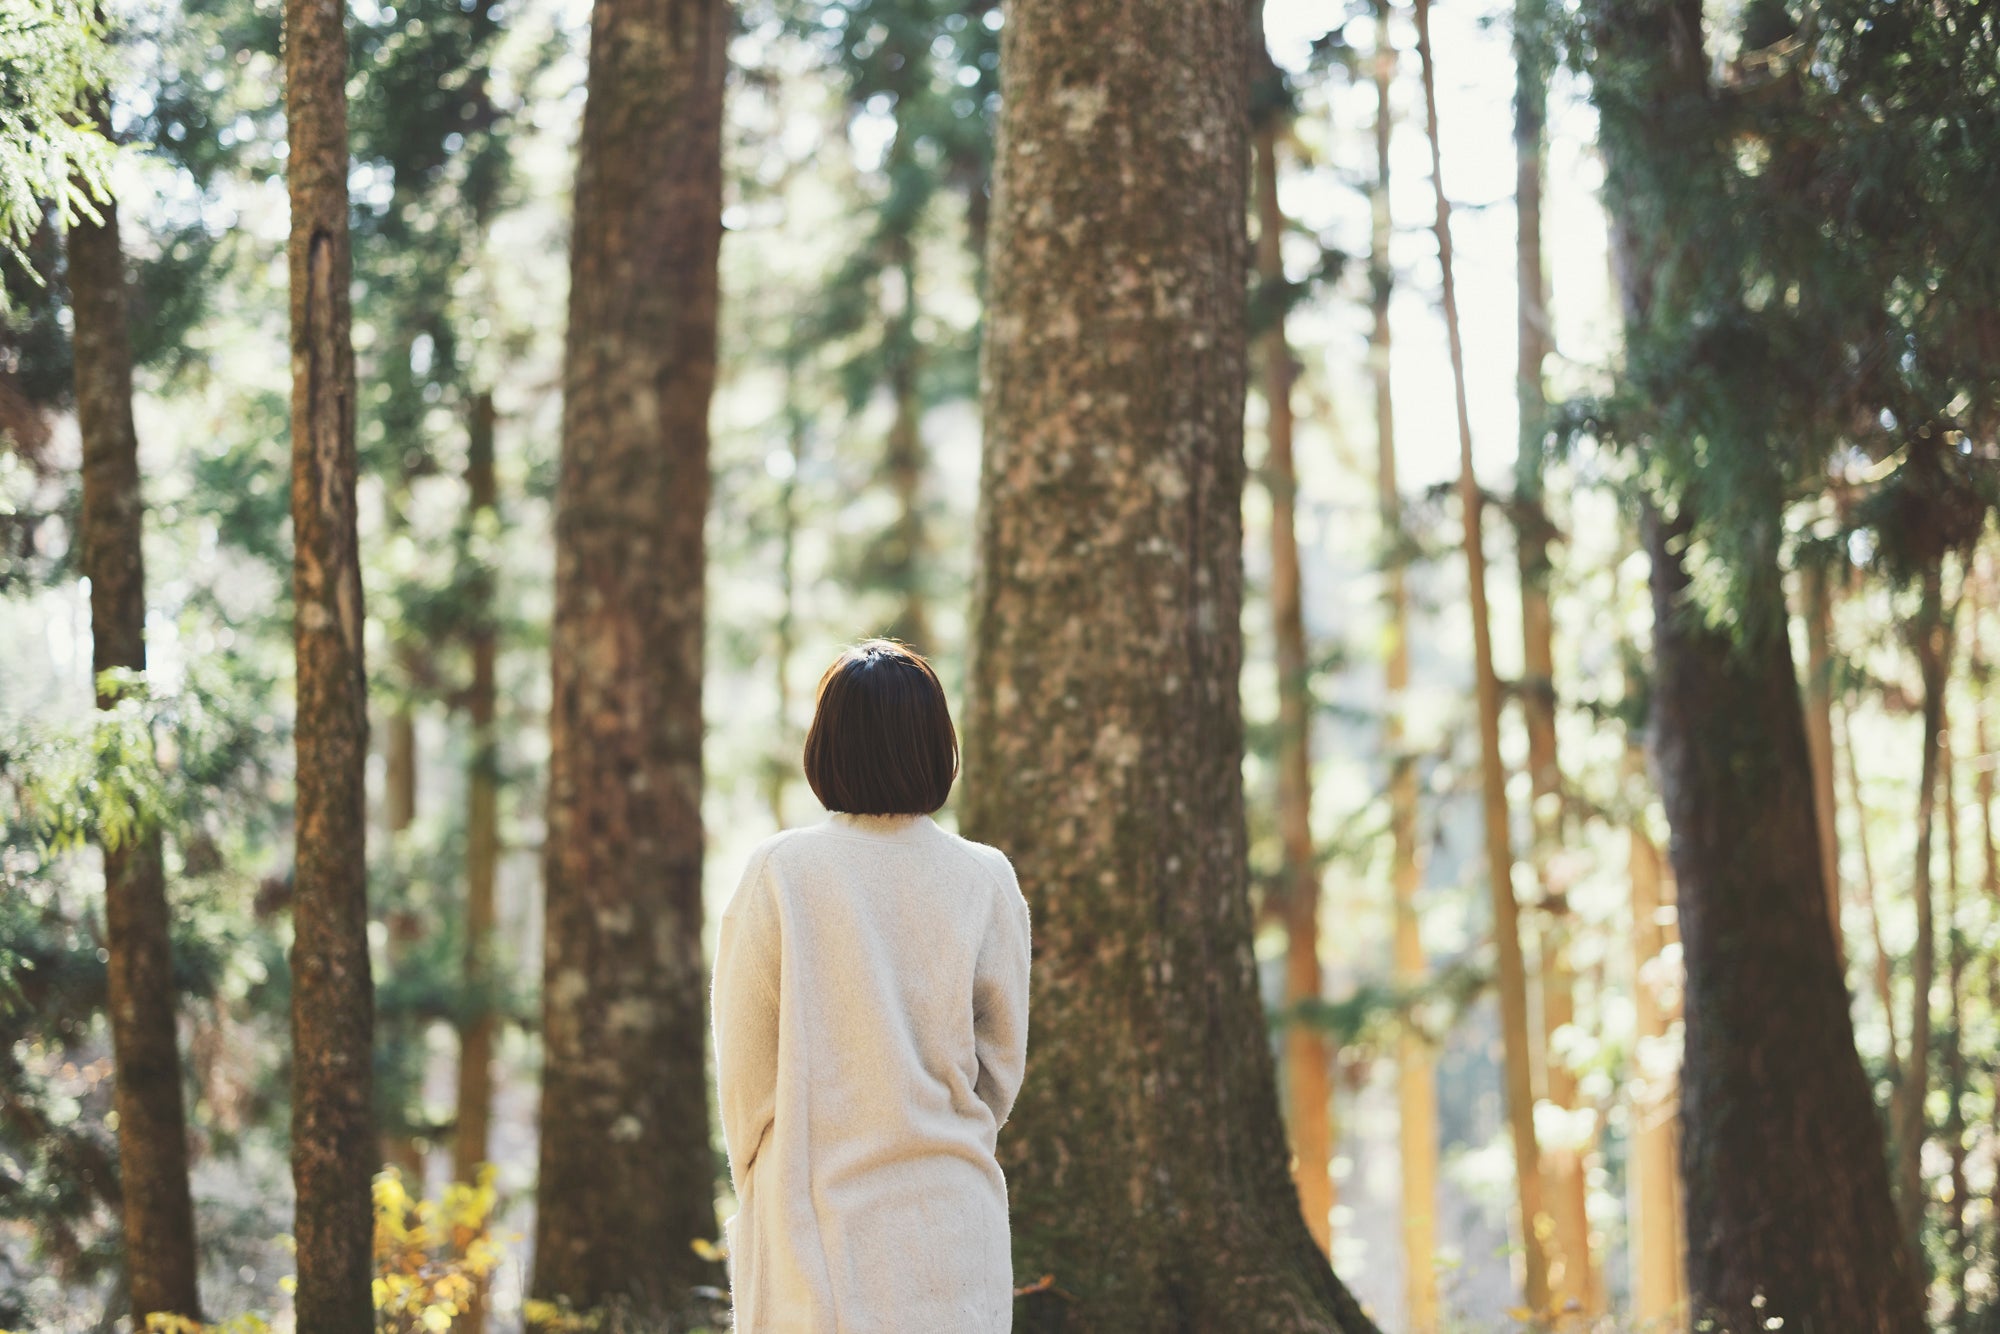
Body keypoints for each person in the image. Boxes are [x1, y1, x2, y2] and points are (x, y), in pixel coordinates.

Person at [712, 639, 1032, 1333]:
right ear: (937, 746)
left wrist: (766, 1183)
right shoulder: (985, 877)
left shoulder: (780, 873)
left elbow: (745, 1080)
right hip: (954, 1223)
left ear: (826, 746)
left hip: (814, 1226)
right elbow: (999, 1070)